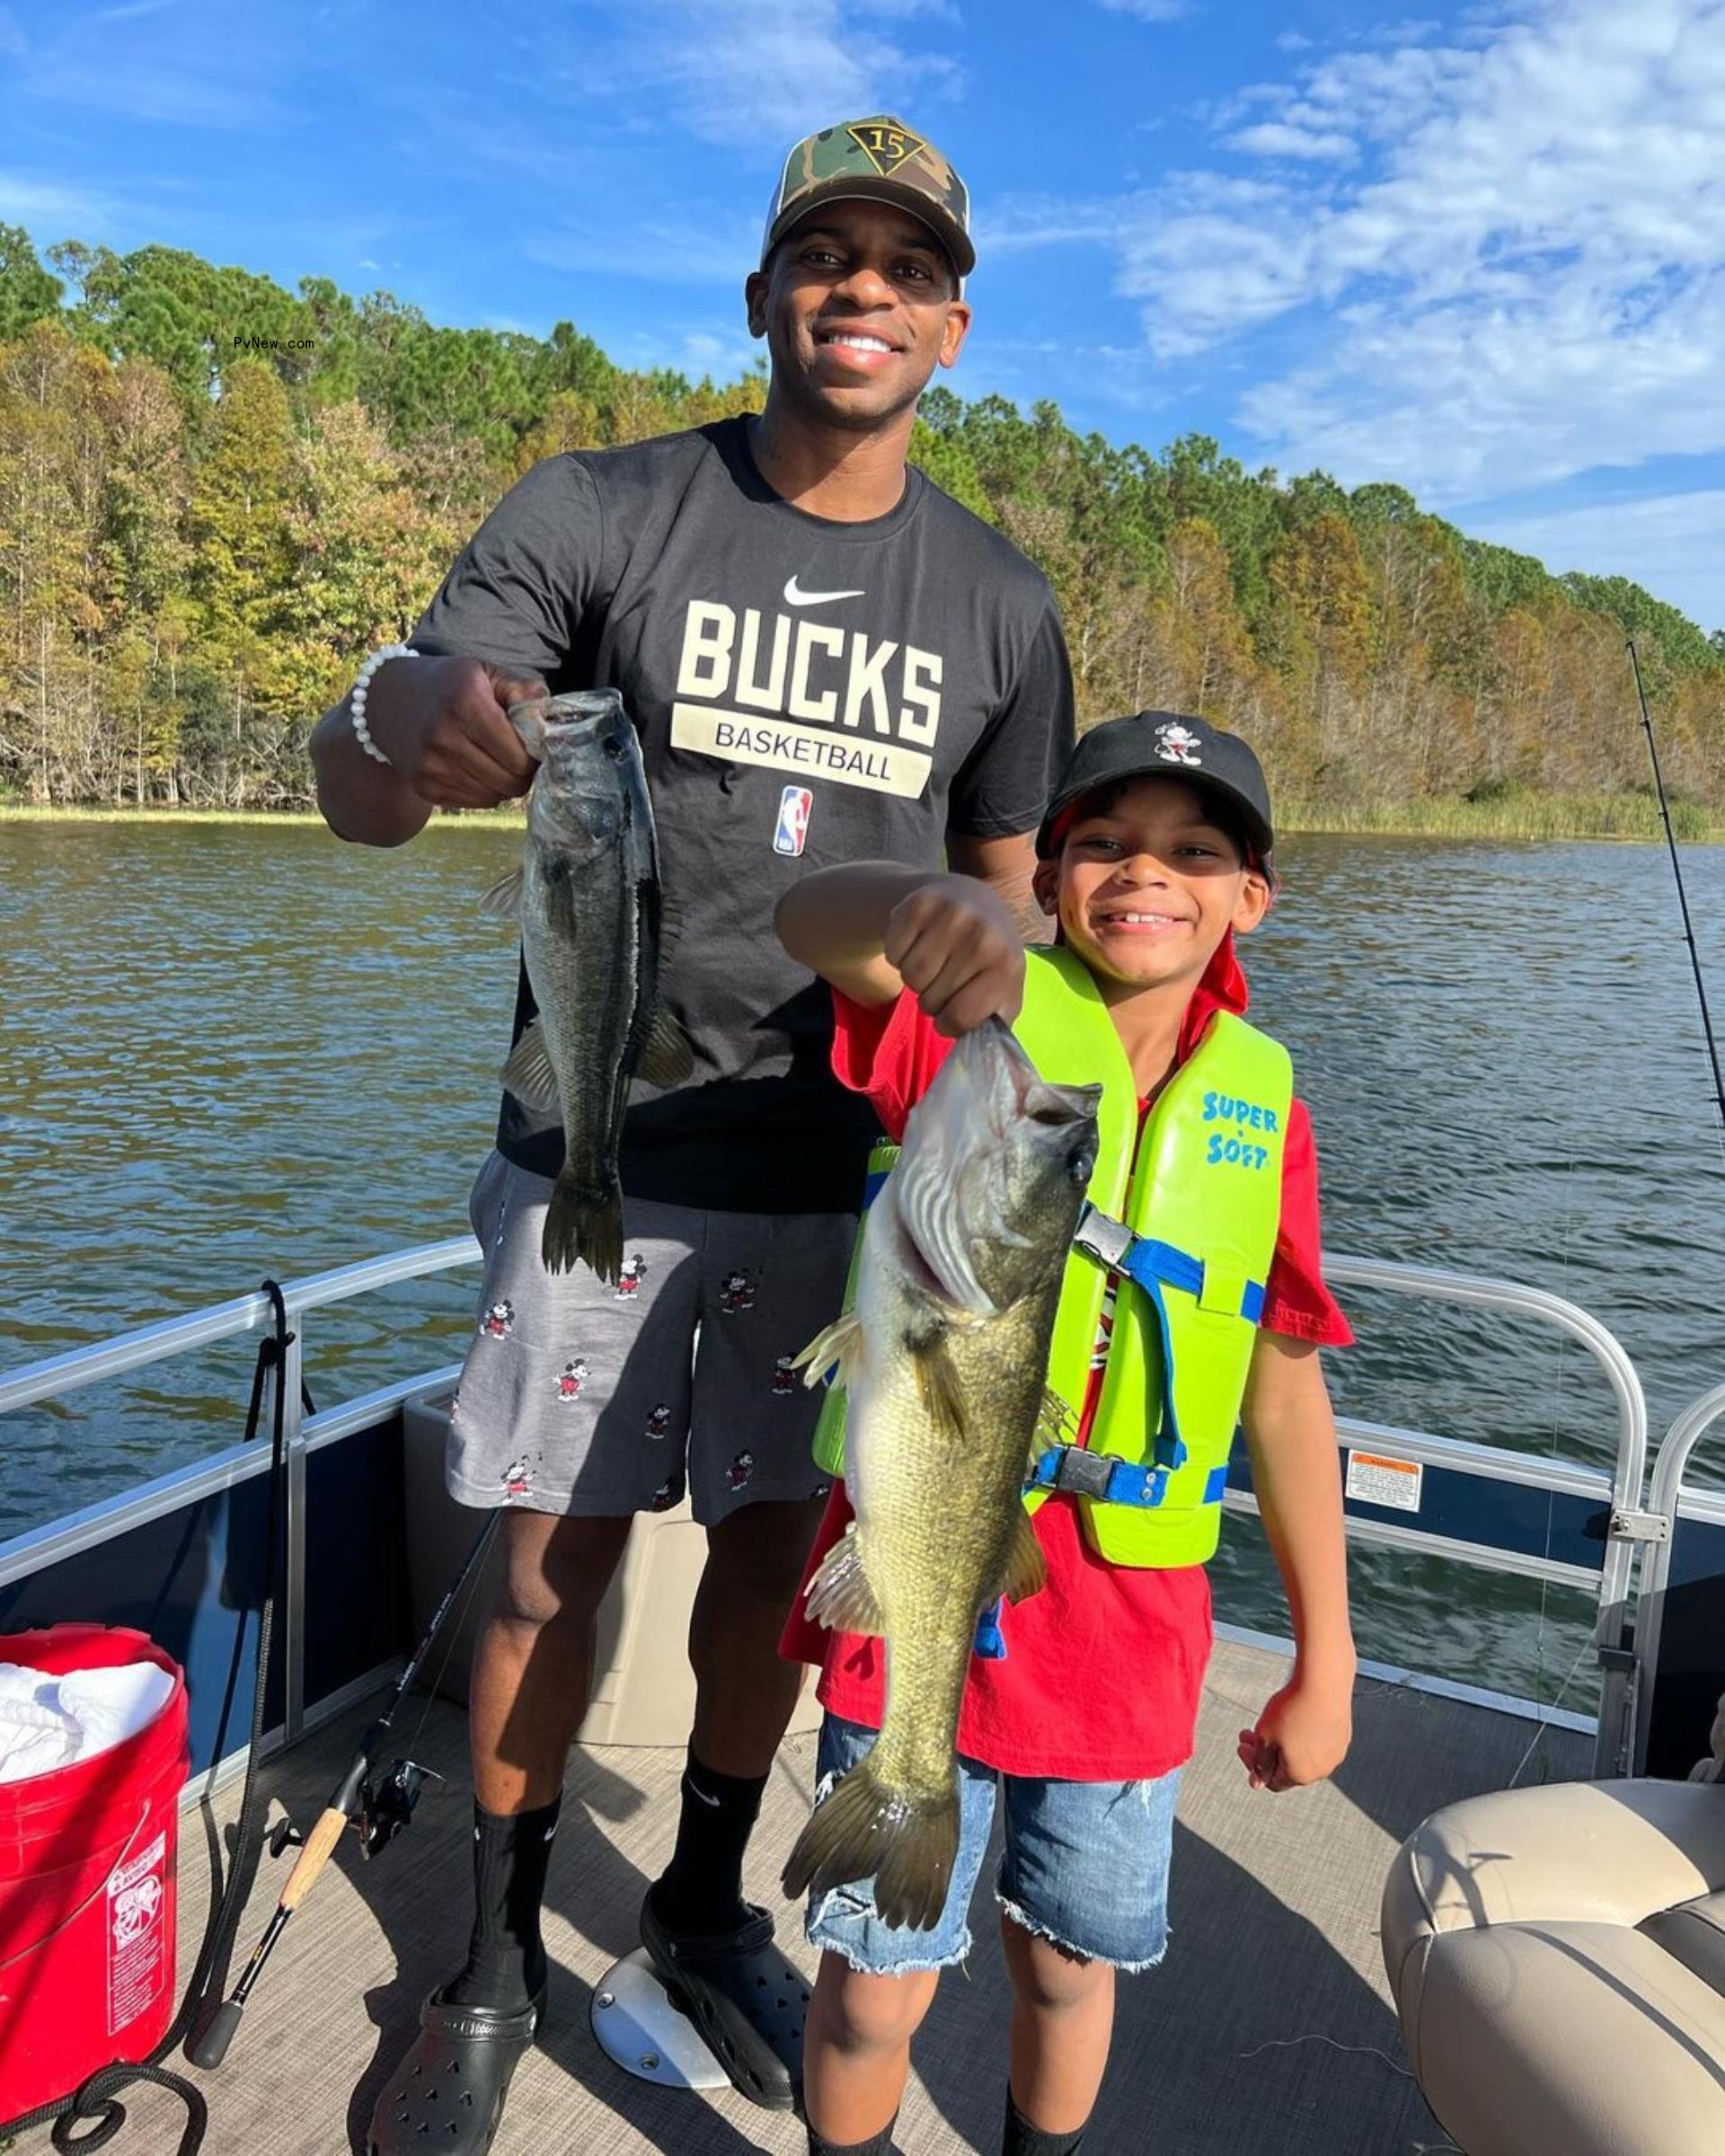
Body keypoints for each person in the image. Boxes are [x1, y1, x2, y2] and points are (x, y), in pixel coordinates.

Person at [309, 114, 1075, 2152]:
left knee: (764, 1577)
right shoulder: (605, 511)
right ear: (759, 296)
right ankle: (485, 1959)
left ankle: (702, 1898)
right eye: (822, 256)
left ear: (954, 323)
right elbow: (362, 781)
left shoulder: (999, 600)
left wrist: (1006, 969)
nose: (861, 291)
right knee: (547, 1578)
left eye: (903, 266)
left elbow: (1015, 904)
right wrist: (395, 721)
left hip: (854, 1195)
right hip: (600, 1165)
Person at [774, 710, 1358, 2156]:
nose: (1142, 874)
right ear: (1045, 875)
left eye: (1193, 851)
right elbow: (811, 923)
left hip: (1127, 1641)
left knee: (1070, 1965)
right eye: (1100, 844)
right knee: (871, 1992)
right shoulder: (973, 1027)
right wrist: (924, 906)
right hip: (909, 1600)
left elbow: (1284, 1392)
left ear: (1248, 897)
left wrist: (1326, 1659)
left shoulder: (1263, 1107)